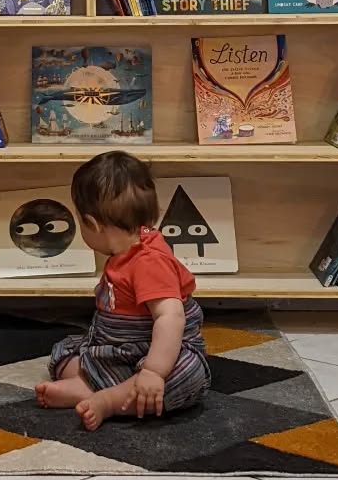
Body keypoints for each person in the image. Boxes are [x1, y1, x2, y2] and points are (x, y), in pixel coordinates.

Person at [36, 151, 210, 430]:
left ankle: (107, 401)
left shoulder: (150, 262)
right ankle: (94, 387)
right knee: (65, 354)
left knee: (185, 376)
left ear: (92, 224)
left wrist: (153, 371)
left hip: (159, 352)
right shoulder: (124, 250)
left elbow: (171, 317)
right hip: (116, 351)